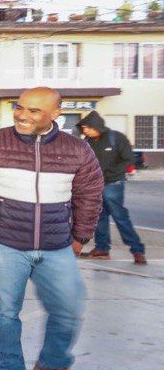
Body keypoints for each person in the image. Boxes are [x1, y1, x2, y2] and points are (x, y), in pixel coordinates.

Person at [0, 86, 103, 370]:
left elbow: (90, 193)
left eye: (34, 111)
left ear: (56, 115)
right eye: (20, 107)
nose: (22, 115)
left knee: (69, 308)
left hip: (57, 245)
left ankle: (53, 364)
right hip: (3, 243)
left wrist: (79, 238)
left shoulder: (77, 150)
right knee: (5, 311)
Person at [77, 111, 146, 265]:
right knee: (99, 218)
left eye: (87, 127)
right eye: (83, 128)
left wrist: (108, 174)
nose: (85, 130)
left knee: (120, 217)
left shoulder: (117, 138)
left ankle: (137, 250)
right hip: (94, 186)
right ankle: (101, 249)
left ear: (97, 126)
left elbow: (128, 159)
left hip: (113, 184)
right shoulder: (88, 141)